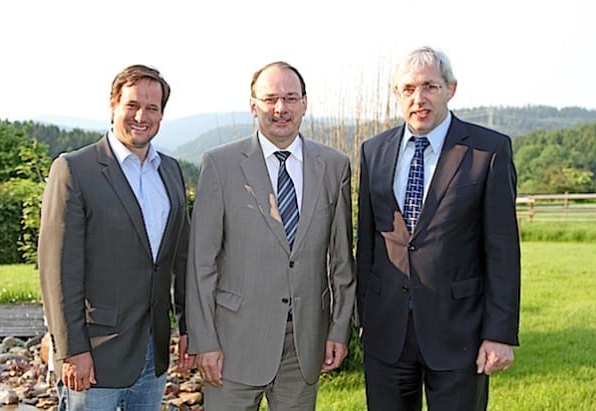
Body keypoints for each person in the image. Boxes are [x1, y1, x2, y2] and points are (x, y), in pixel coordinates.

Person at [356, 46, 521, 410]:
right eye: (409, 89)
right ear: (397, 94)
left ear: (451, 89)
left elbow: (503, 250)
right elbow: (367, 244)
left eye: (430, 86)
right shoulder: (374, 152)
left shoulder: (487, 151)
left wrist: (499, 334)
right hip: (387, 333)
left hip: (459, 333)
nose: (419, 99)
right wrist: (363, 317)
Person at [186, 61, 356, 410]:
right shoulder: (220, 165)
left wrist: (339, 329)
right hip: (233, 344)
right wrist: (204, 341)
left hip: (304, 345)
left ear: (305, 104)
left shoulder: (334, 167)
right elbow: (201, 263)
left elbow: (341, 262)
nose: (281, 109)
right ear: (253, 105)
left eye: (291, 98)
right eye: (270, 99)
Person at [38, 64, 194, 410]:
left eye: (152, 108)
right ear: (113, 105)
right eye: (132, 105)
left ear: (162, 114)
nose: (141, 116)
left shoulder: (169, 170)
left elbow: (181, 259)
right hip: (95, 354)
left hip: (153, 352)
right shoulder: (75, 169)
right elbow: (57, 272)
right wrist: (72, 350)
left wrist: (189, 328)